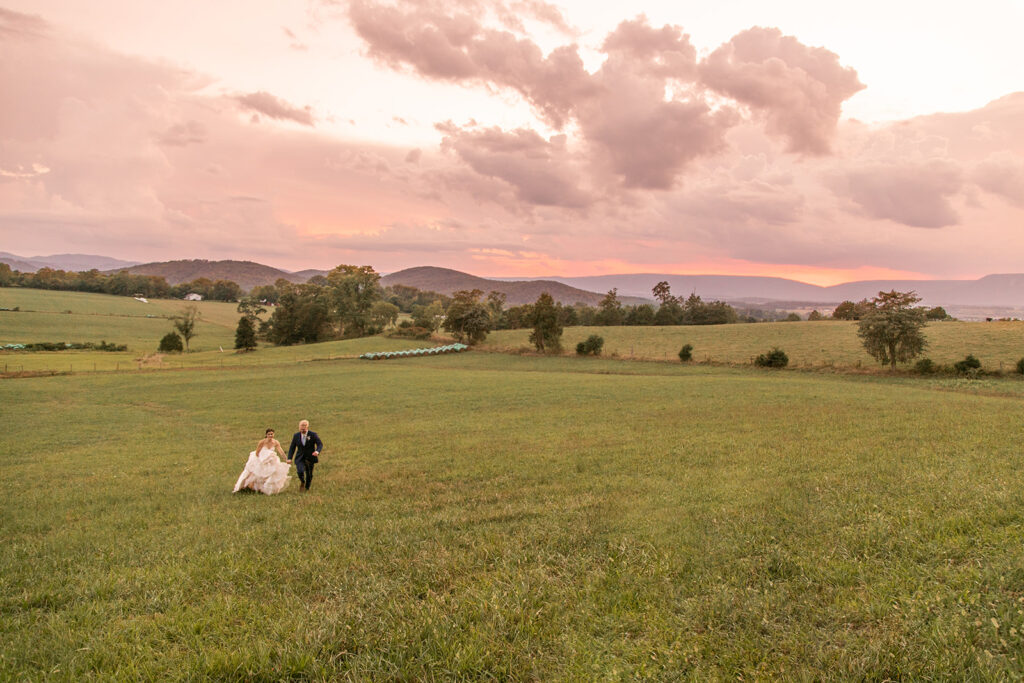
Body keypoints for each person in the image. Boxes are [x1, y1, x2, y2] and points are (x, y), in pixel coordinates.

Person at [232, 428, 290, 495]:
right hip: (261, 458)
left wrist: (286, 459)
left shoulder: (276, 442)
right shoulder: (262, 442)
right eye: (269, 434)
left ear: (274, 434)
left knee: (272, 472)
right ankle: (249, 487)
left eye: (272, 434)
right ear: (266, 435)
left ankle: (266, 489)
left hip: (271, 459)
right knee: (256, 473)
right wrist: (262, 459)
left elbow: (281, 451)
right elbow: (257, 452)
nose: (270, 435)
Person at [287, 419, 323, 491]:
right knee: (300, 471)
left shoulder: (313, 435)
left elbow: (320, 444)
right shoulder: (296, 435)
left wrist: (317, 451)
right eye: (301, 425)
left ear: (307, 426)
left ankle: (307, 487)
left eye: (304, 425)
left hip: (310, 457)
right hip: (300, 457)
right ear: (299, 426)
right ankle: (302, 481)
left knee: (309, 474)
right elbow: (292, 447)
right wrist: (289, 458)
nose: (303, 427)